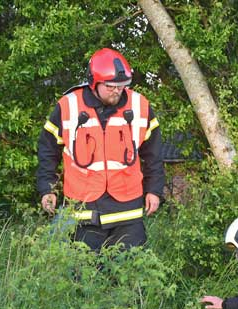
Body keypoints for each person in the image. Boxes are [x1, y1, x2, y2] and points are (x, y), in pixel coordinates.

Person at [36, 47, 165, 251]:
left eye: (121, 86)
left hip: (127, 211)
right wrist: (47, 189)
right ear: (94, 82)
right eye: (111, 86)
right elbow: (47, 151)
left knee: (128, 271)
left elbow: (154, 155)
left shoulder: (140, 106)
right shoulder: (68, 106)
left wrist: (154, 190)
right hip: (83, 212)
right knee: (84, 275)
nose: (117, 91)